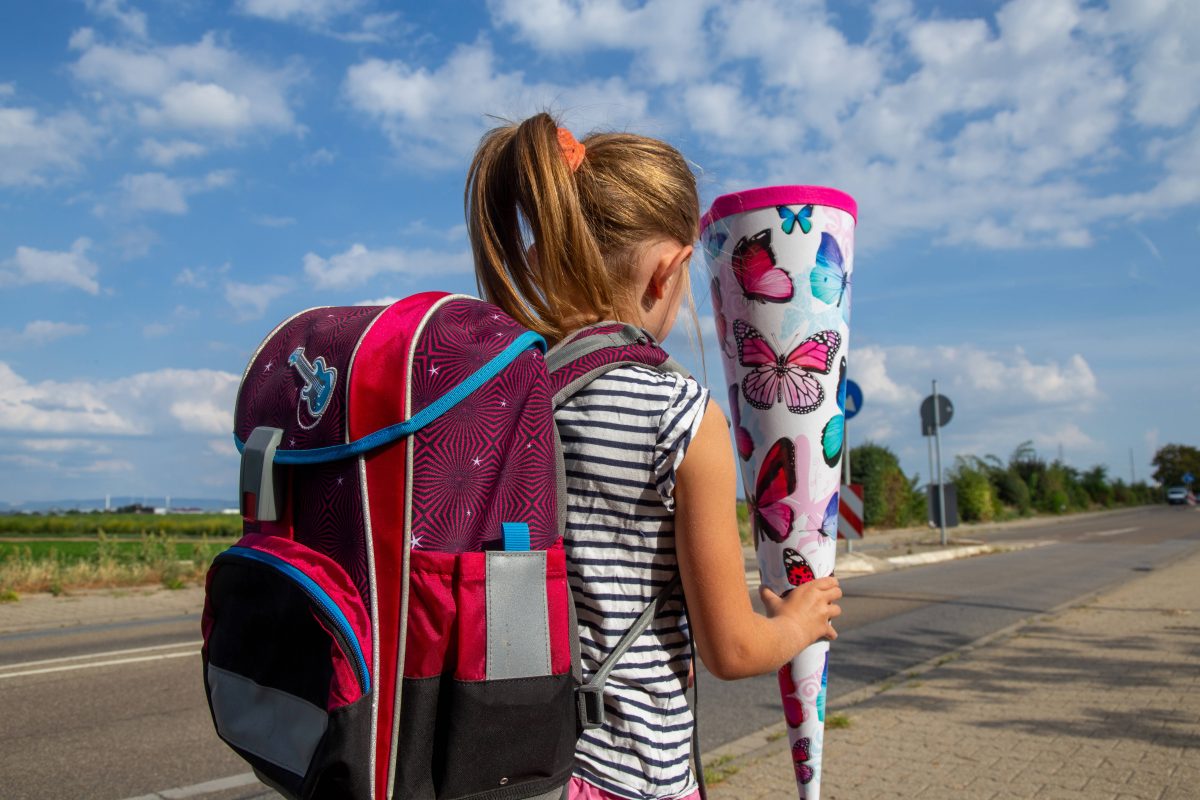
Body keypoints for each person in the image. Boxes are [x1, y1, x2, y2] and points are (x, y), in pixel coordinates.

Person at [465, 112, 843, 800]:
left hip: (523, 769)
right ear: (669, 269)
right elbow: (732, 649)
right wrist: (796, 625)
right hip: (634, 778)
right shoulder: (680, 416)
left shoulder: (509, 397)